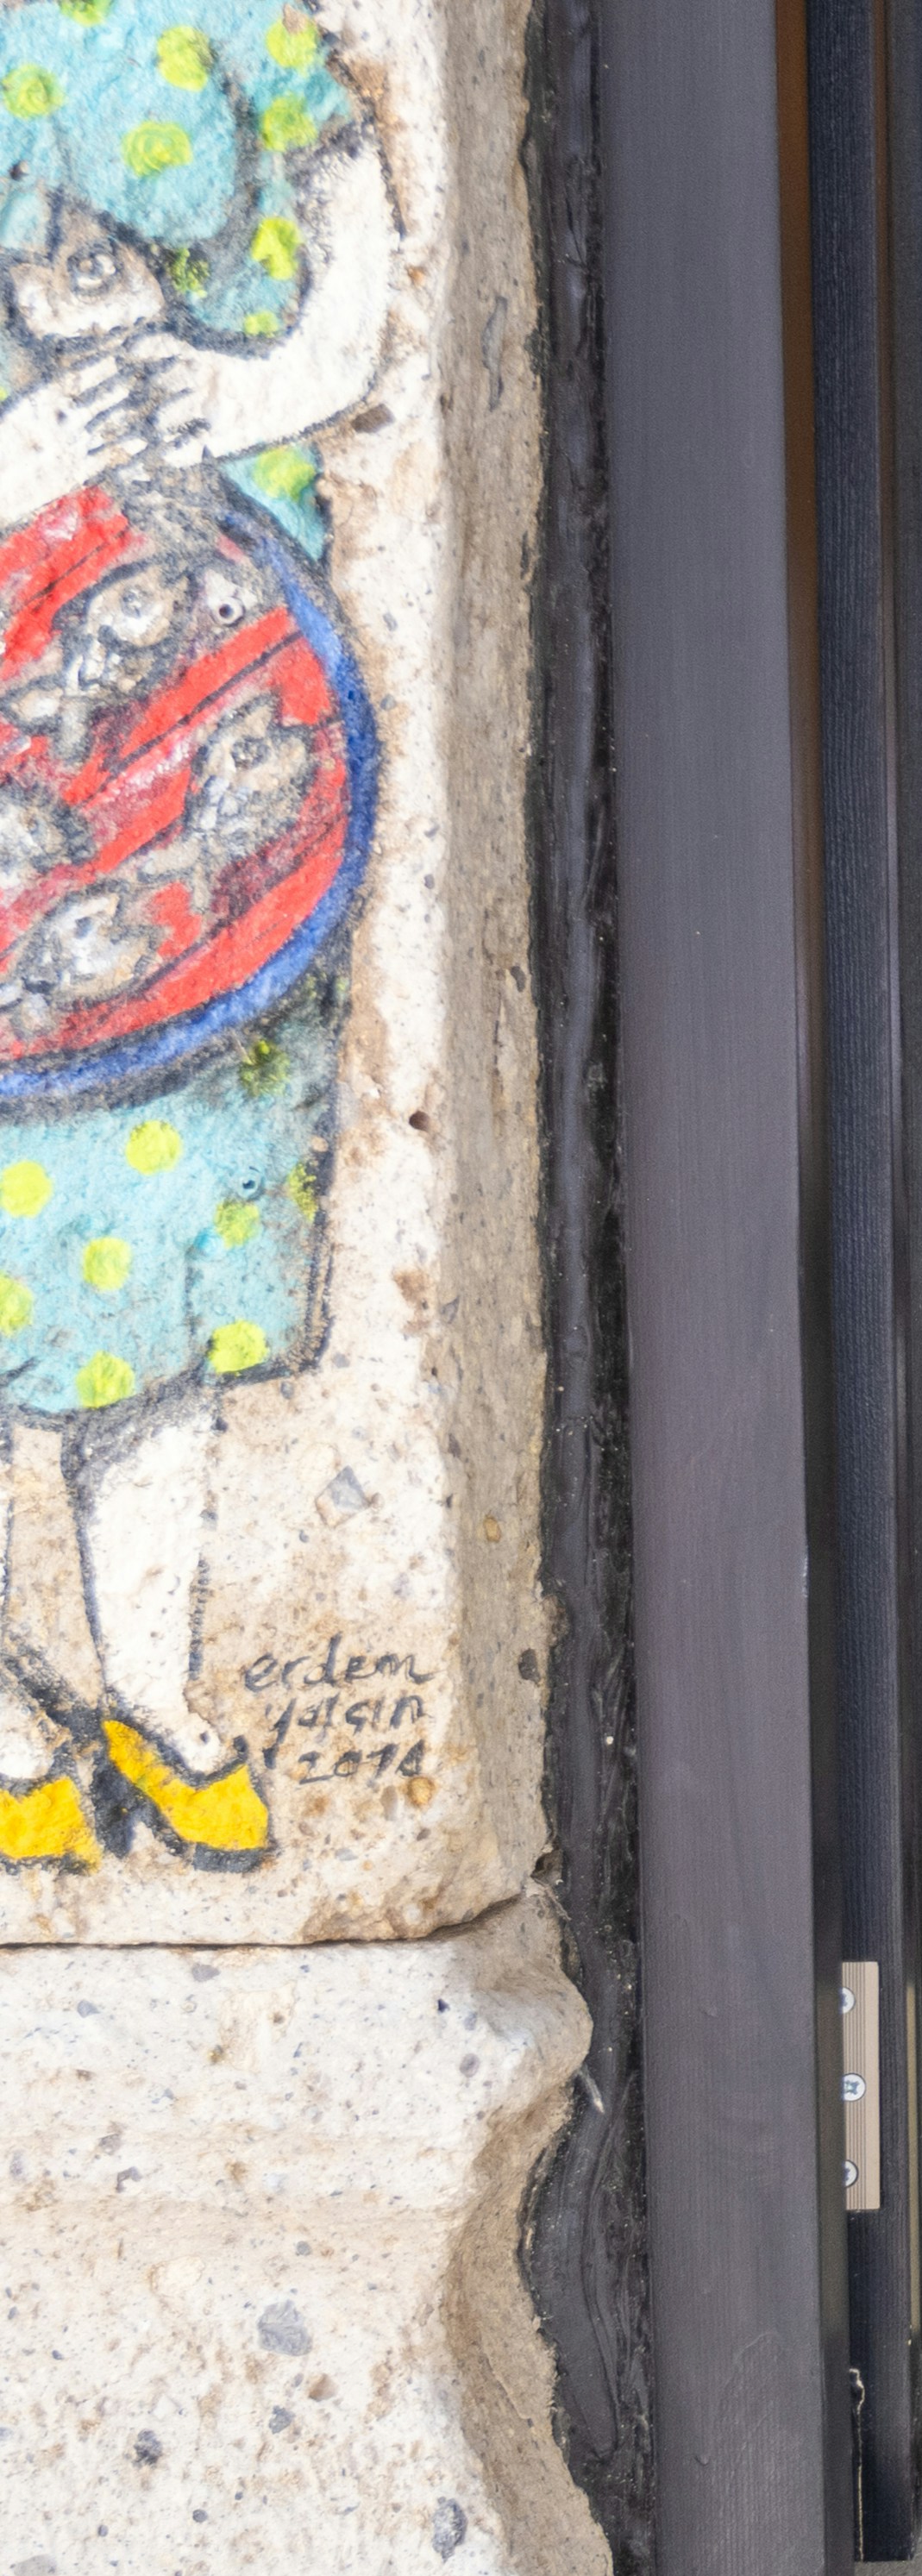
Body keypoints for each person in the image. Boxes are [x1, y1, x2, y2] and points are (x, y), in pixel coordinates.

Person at [0, 9, 392, 1872]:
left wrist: (246, 390)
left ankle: (150, 1691)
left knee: (168, 1281)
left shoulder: (243, 26)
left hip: (225, 740)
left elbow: (357, 278)